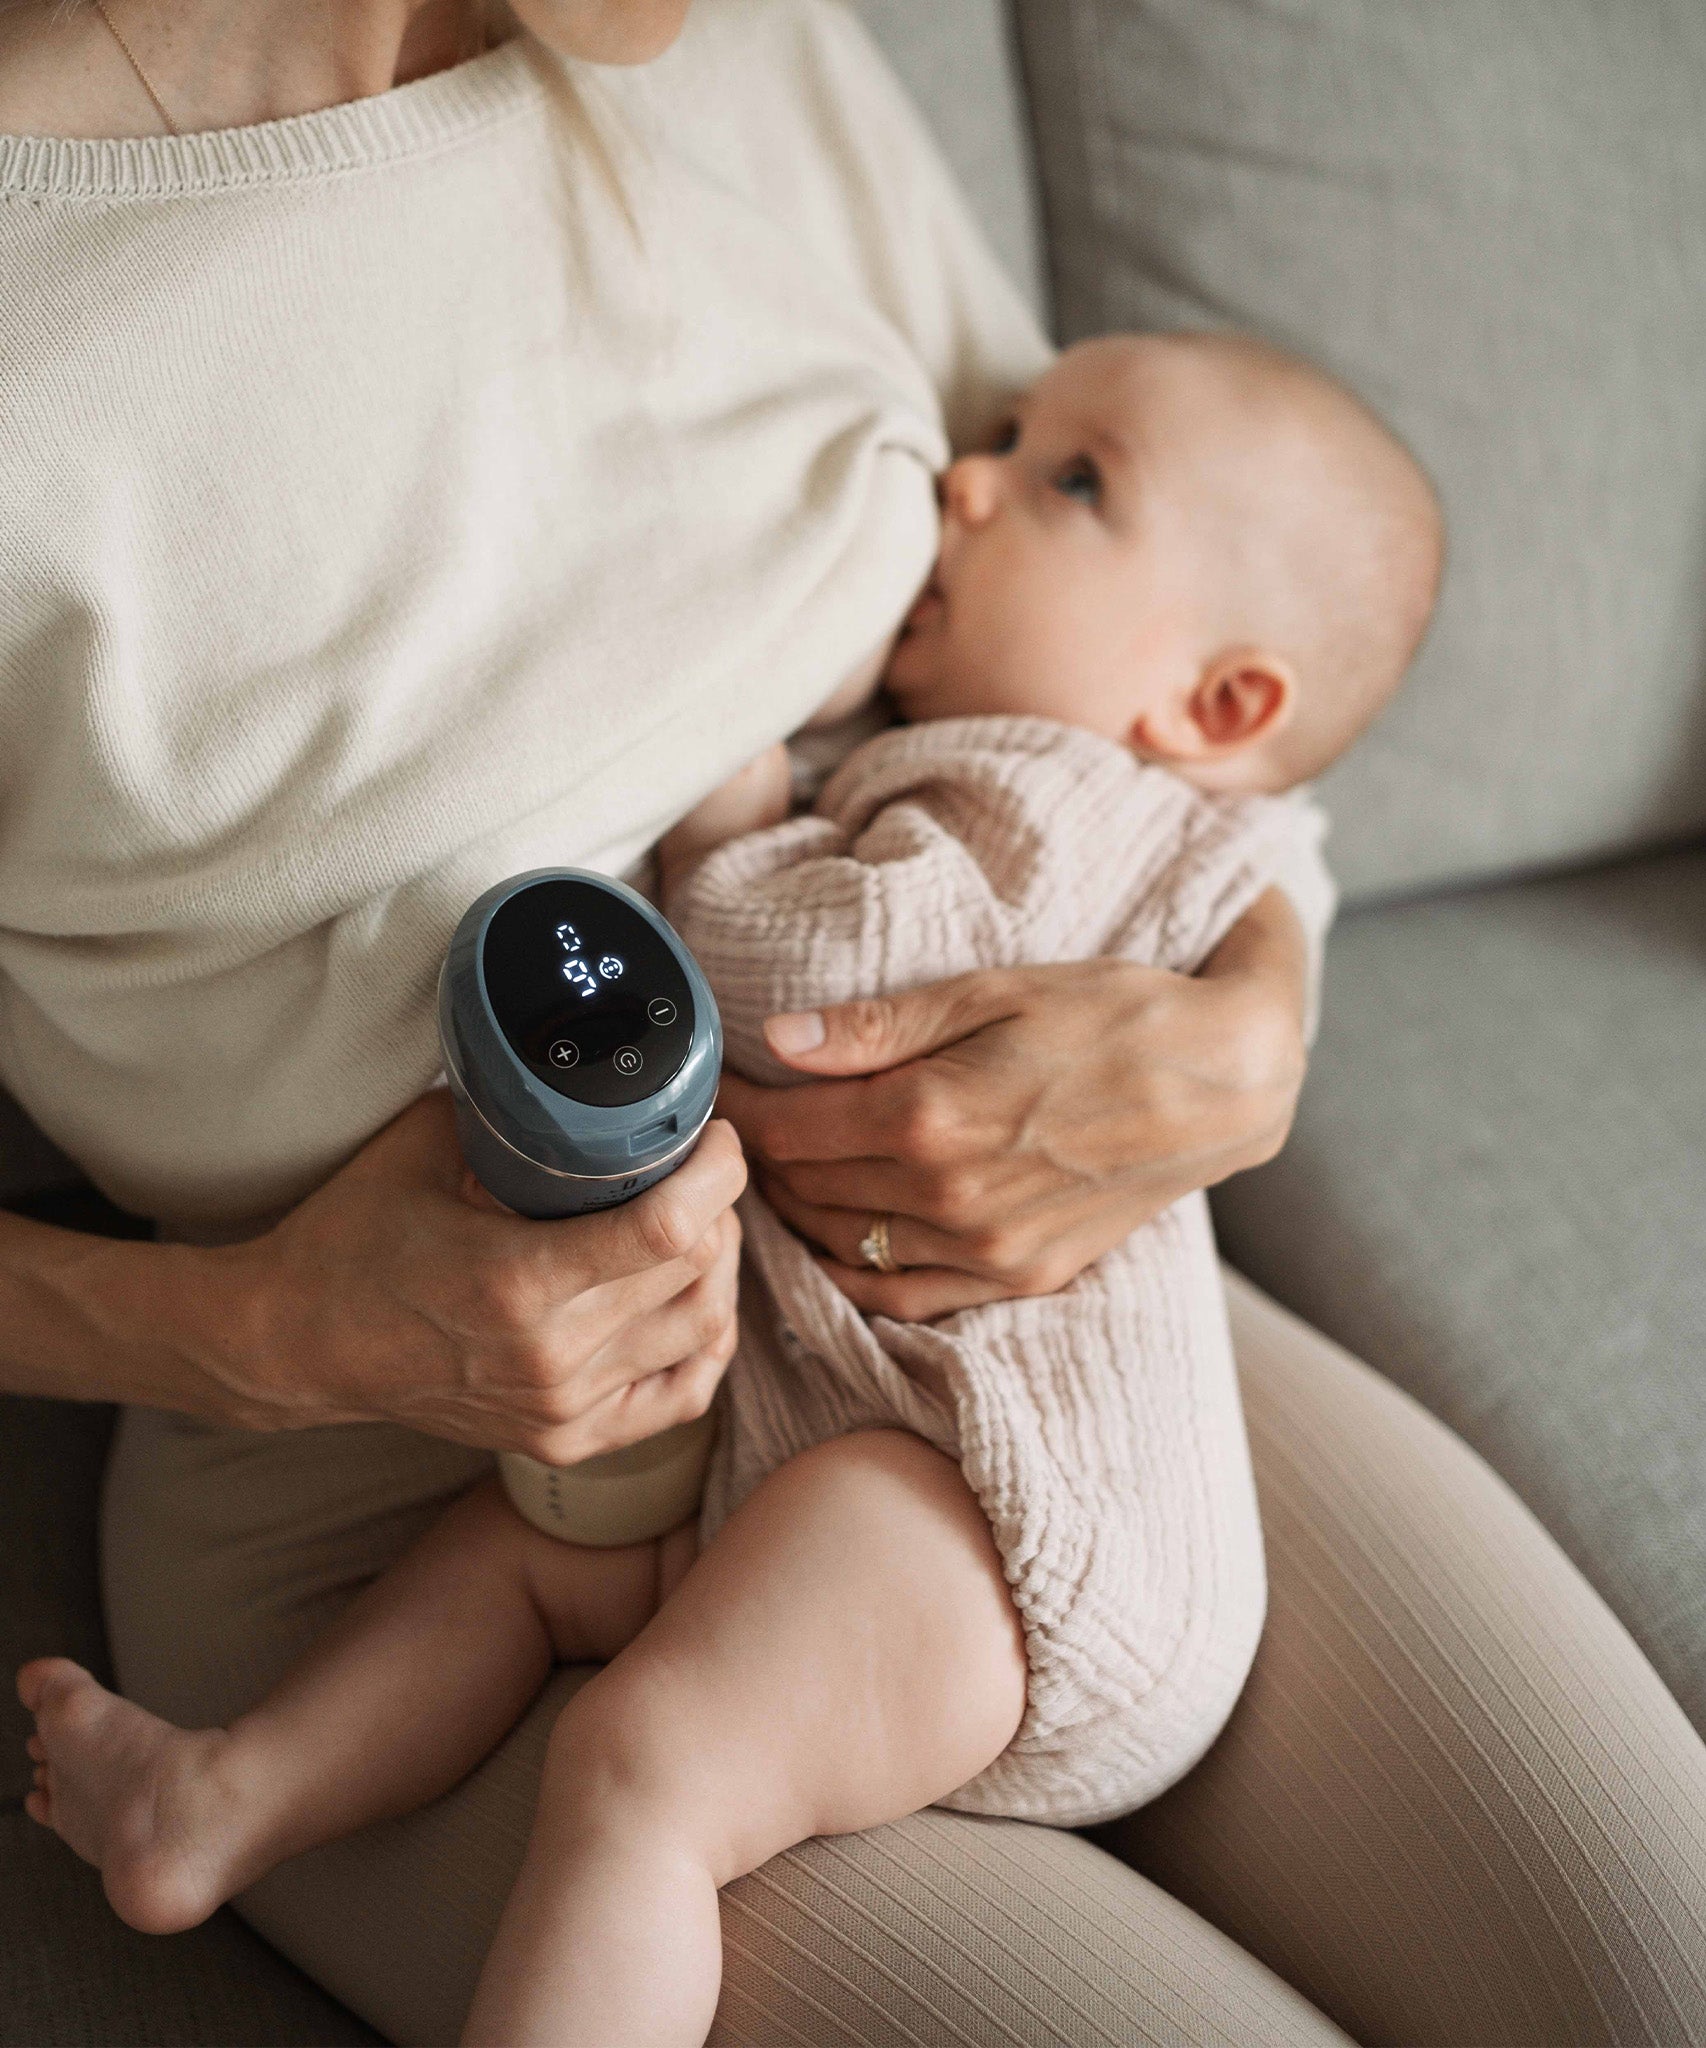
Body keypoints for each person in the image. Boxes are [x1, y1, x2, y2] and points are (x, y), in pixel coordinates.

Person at [2, 3, 1704, 2044]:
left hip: (1005, 1338)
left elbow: (1185, 674)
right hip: (399, 1490)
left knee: (1652, 1955)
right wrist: (267, 1330)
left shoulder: (711, 43)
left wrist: (1241, 1031)